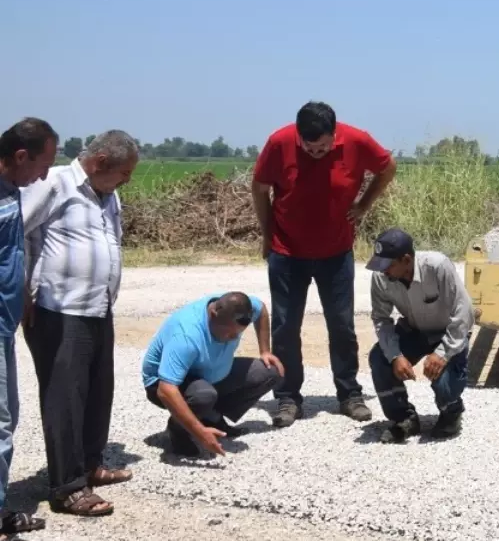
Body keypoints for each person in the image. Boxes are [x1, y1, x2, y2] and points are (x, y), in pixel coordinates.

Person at [252, 101, 396, 428]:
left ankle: (349, 394)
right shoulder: (279, 142)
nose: (316, 153)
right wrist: (266, 233)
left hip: (336, 252)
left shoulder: (358, 141)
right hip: (287, 251)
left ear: (335, 134)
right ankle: (288, 398)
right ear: (298, 137)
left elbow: (388, 167)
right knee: (286, 327)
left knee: (342, 325)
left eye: (323, 147)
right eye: (309, 147)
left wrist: (364, 204)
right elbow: (259, 188)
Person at [21, 130, 139, 518]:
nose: (127, 180)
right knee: (64, 399)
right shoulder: (54, 183)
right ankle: (68, 487)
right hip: (59, 309)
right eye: (124, 172)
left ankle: (91, 464)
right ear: (101, 162)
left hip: (97, 307)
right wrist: (23, 289)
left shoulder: (109, 194)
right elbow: (15, 232)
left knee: (97, 391)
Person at [0, 118, 57, 541]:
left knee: (8, 417)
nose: (43, 176)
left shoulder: (12, 191)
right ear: (21, 156)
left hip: (5, 324)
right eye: (41, 165)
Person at [142, 292, 284, 457]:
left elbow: (261, 309)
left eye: (237, 334)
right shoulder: (186, 335)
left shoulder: (240, 309)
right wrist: (199, 432)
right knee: (204, 395)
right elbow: (165, 390)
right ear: (213, 314)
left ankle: (211, 417)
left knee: (270, 371)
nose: (233, 338)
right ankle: (178, 430)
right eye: (228, 333)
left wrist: (265, 350)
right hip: (163, 383)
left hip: (209, 373)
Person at [366, 228, 473, 443]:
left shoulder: (437, 266)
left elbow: (464, 312)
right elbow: (381, 319)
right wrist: (396, 356)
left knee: (444, 382)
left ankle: (451, 413)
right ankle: (404, 418)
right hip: (414, 331)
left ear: (406, 260)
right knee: (379, 358)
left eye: (388, 265)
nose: (383, 271)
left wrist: (442, 354)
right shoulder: (380, 277)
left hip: (448, 333)